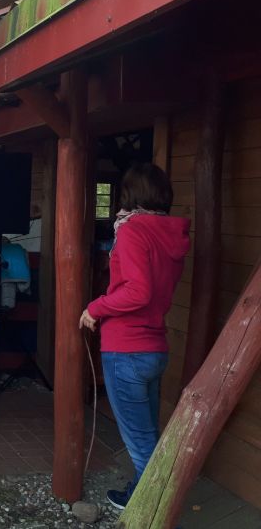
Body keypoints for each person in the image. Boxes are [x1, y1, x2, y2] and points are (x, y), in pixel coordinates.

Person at [79, 162, 190, 510]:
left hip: (126, 350)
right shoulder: (170, 233)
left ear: (129, 194)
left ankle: (155, 513)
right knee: (147, 436)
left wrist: (95, 308)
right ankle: (138, 495)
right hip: (155, 348)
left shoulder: (132, 230)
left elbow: (138, 292)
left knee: (141, 445)